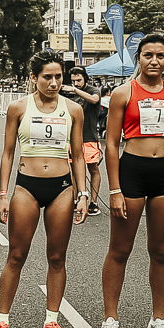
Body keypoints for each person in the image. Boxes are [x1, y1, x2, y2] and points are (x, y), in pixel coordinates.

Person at [0, 50, 89, 328]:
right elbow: (7, 153)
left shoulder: (73, 110)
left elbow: (79, 155)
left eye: (59, 77)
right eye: (48, 77)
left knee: (57, 257)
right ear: (34, 78)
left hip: (62, 186)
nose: (54, 82)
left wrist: (83, 194)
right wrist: (3, 194)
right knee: (16, 255)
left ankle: (52, 322)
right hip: (26, 186)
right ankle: (2, 321)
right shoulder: (18, 108)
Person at [100, 33, 164, 328]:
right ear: (138, 58)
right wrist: (114, 188)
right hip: (132, 172)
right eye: (148, 55)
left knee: (162, 251)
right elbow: (111, 143)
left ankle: (159, 321)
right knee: (120, 249)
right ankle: (110, 321)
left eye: (161, 56)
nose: (154, 61)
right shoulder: (122, 93)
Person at [63, 66, 103, 216]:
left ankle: (93, 202)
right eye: (73, 81)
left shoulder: (93, 90)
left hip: (89, 137)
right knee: (74, 170)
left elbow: (94, 100)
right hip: (73, 138)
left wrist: (75, 90)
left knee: (93, 169)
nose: (76, 83)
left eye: (79, 80)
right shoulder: (67, 92)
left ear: (85, 78)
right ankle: (77, 198)